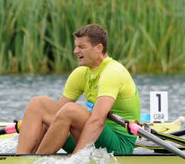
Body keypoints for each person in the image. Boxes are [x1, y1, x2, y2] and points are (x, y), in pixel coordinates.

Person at [16, 24, 139, 155]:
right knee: (38, 104)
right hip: (92, 138)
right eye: (76, 46)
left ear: (98, 48)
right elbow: (56, 117)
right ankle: (21, 159)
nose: (75, 51)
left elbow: (97, 121)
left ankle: (36, 163)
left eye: (81, 47)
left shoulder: (112, 72)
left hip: (119, 144)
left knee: (71, 110)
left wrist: (76, 159)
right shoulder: (80, 73)